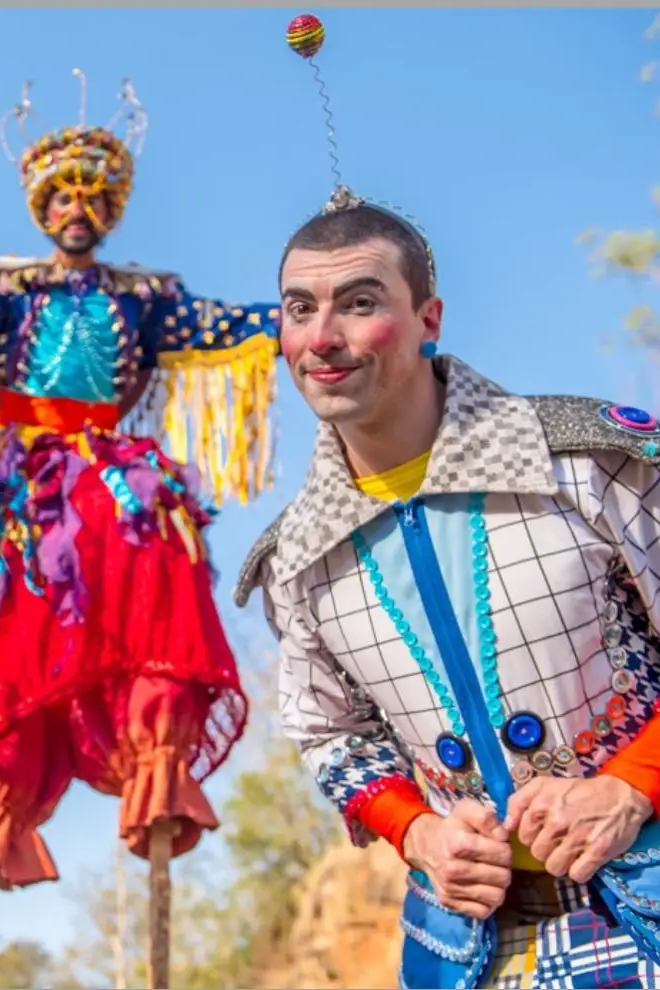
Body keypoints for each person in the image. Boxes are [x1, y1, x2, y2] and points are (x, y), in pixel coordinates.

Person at [0, 78, 281, 890]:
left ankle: (157, 768)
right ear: (41, 207)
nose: (79, 207)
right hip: (18, 487)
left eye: (95, 195)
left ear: (112, 212)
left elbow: (238, 324)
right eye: (64, 194)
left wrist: (321, 308)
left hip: (112, 481)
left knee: (159, 576)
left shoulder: (147, 298)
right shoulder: (5, 287)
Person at [236, 181, 660, 987]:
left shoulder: (589, 462)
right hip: (473, 945)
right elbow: (335, 739)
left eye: (359, 303)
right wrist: (420, 834)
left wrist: (634, 784)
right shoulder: (295, 560)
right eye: (298, 309)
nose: (322, 337)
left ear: (430, 320)